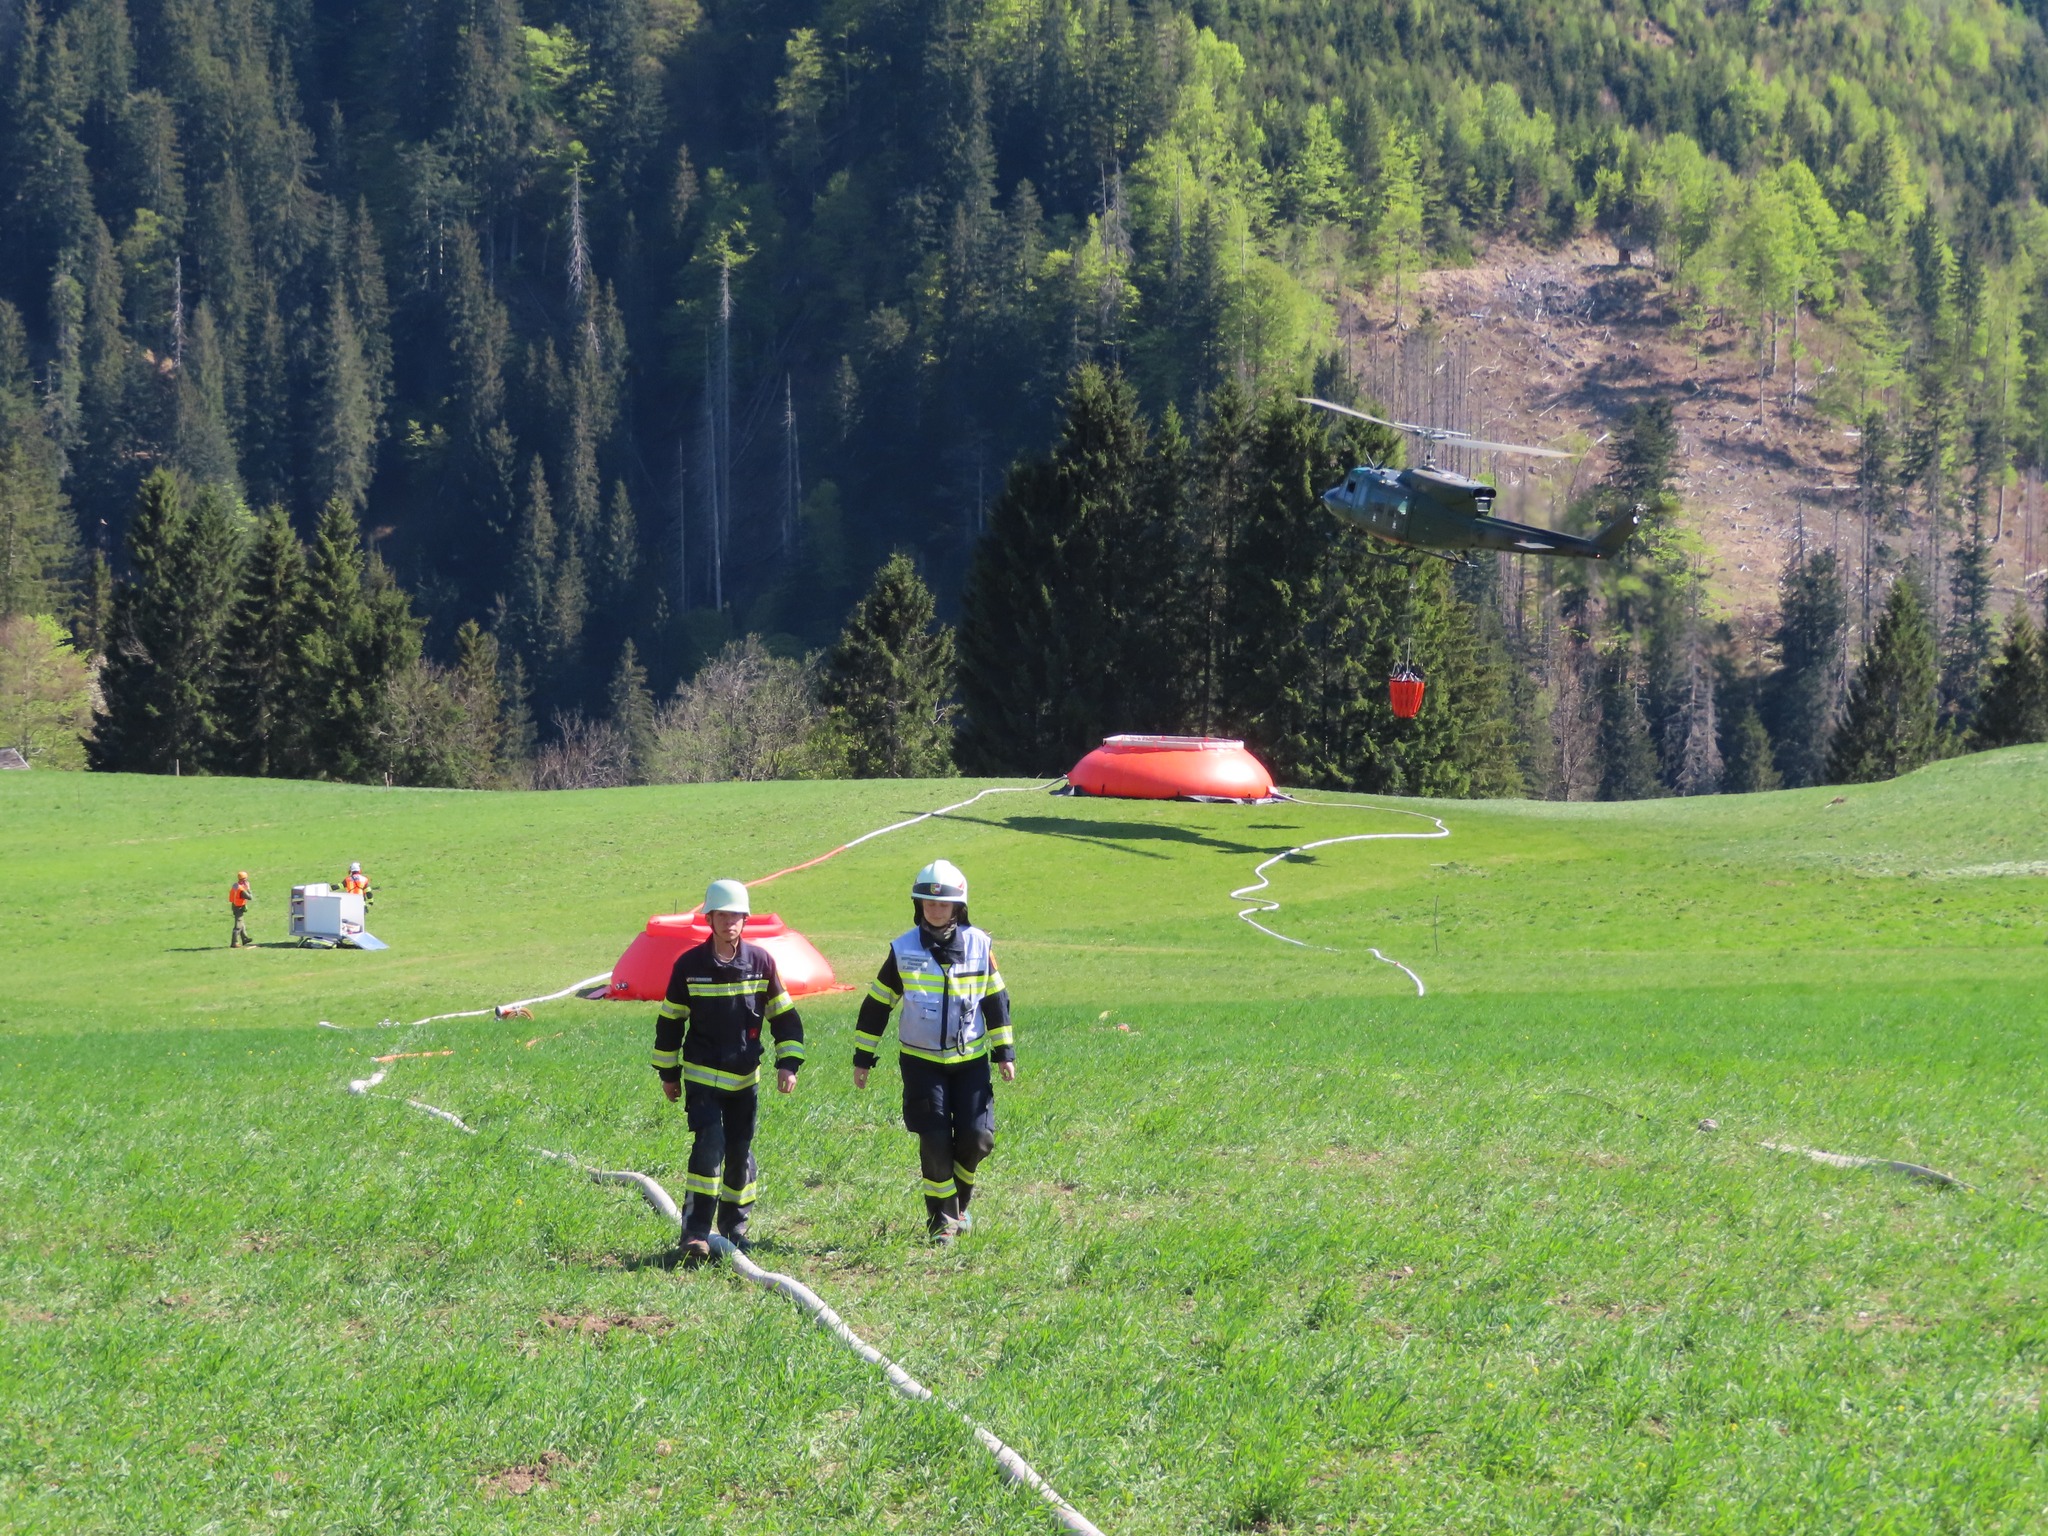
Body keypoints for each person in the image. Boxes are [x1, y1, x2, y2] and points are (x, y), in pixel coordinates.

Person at [853, 860, 1015, 1245]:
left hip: (970, 1062)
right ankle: (943, 1223)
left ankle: (959, 1207)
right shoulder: (902, 949)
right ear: (918, 905)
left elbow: (996, 1000)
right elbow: (877, 1005)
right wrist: (863, 1057)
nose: (936, 910)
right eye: (929, 903)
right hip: (921, 1064)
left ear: (958, 907)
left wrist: (1004, 1052)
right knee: (935, 1141)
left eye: (944, 904)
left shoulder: (980, 945)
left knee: (978, 1137)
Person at [652, 879, 805, 1263]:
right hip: (702, 1079)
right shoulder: (690, 966)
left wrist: (788, 1064)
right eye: (721, 915)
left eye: (736, 915)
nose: (729, 922)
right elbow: (670, 1022)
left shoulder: (761, 963)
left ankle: (735, 1230)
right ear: (709, 919)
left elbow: (784, 1017)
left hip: (744, 1082)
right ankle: (695, 1234)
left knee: (739, 1154)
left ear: (745, 919)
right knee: (709, 1148)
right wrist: (668, 1074)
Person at [229, 872, 253, 948]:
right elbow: (250, 897)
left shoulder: (236, 885)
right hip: (238, 907)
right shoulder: (241, 890)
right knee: (238, 926)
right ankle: (234, 943)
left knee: (242, 924)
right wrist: (248, 888)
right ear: (244, 880)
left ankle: (245, 939)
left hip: (234, 905)